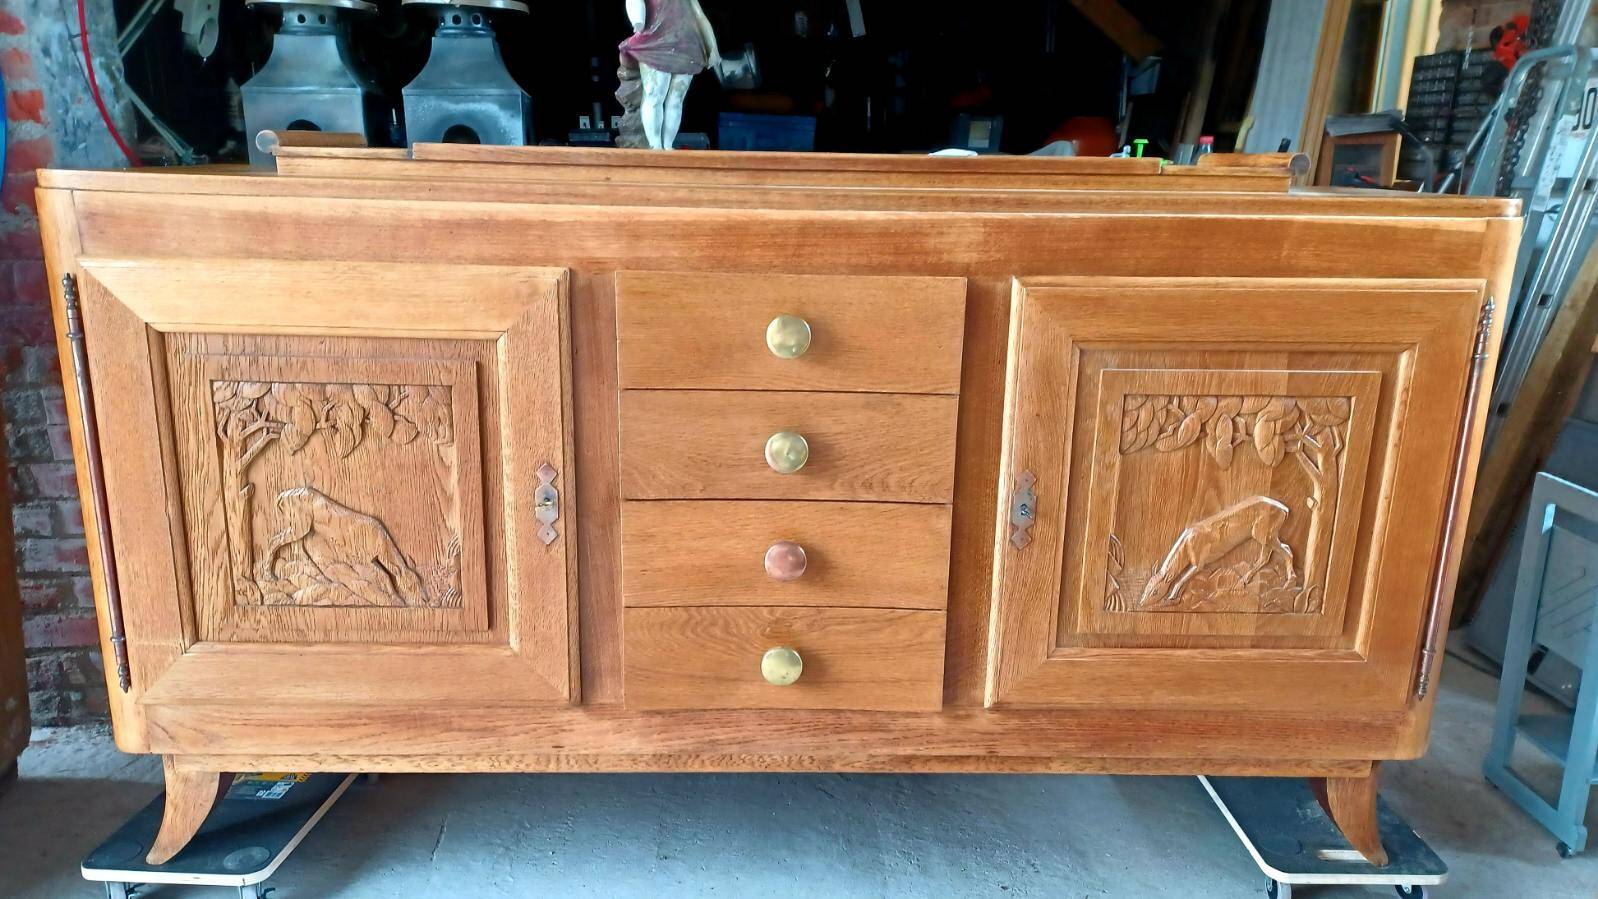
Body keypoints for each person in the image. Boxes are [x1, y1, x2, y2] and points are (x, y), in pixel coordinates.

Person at [620, 0, 720, 150]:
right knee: (654, 94)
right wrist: (637, 19)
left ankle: (668, 146)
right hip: (654, 41)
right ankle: (655, 146)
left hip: (686, 44)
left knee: (676, 99)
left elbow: (699, 15)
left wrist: (713, 48)